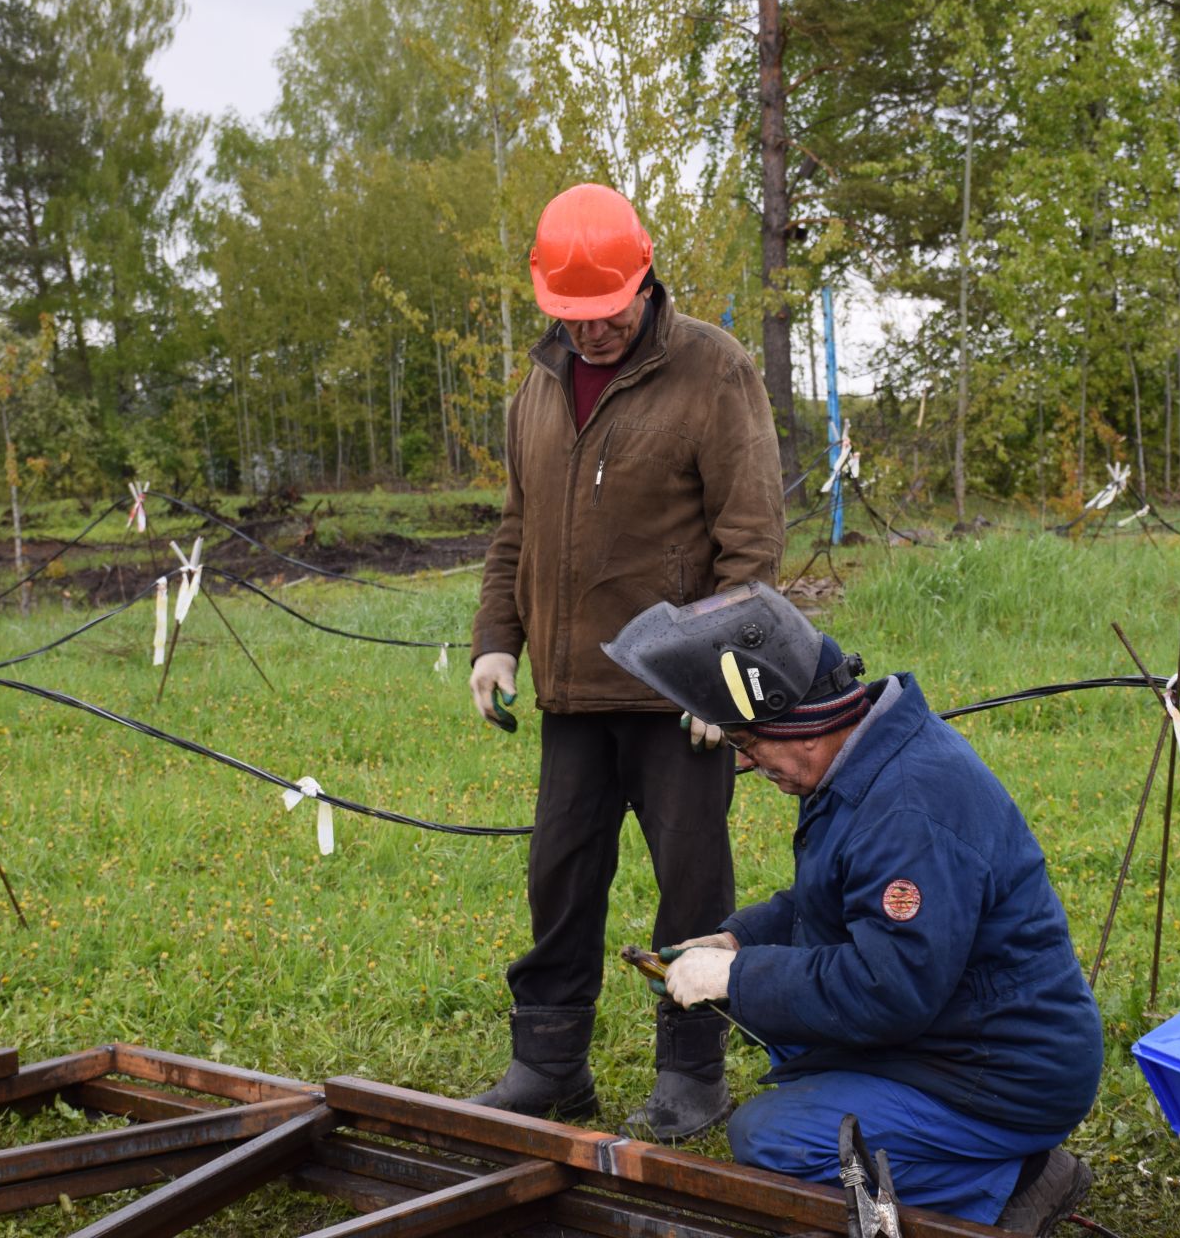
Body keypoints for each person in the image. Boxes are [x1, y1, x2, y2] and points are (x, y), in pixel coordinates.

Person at [601, 583, 1103, 1234]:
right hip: (957, 1038)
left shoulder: (907, 808)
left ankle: (1019, 1180)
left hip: (1008, 1073)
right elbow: (827, 901)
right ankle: (974, 1153)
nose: (750, 764)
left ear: (800, 723)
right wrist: (734, 943)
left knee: (772, 1138)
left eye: (748, 745)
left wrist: (738, 979)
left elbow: (887, 988)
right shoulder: (863, 760)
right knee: (789, 1032)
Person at [466, 183, 785, 1143]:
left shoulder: (715, 371)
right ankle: (549, 1064)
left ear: (643, 281)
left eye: (605, 313)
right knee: (558, 878)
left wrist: (723, 680)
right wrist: (494, 641)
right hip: (571, 693)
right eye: (571, 317)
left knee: (693, 885)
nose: (591, 332)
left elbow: (752, 543)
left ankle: (693, 1069)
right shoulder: (536, 387)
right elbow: (517, 529)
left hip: (675, 700)